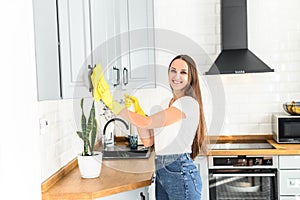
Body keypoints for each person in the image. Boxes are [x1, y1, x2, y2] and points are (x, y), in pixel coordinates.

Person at [91, 55, 207, 200]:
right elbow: (149, 141)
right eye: (173, 70)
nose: (177, 76)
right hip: (162, 172)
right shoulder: (167, 102)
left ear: (191, 78)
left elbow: (147, 122)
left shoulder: (188, 103)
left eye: (183, 72)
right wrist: (136, 110)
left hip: (181, 174)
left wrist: (113, 105)